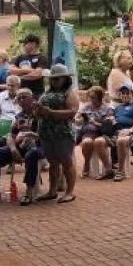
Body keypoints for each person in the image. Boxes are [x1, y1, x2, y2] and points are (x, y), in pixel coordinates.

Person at [0, 89, 46, 206]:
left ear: (32, 98)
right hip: (20, 147)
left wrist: (31, 135)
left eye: (24, 97)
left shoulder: (41, 115)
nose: (21, 100)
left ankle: (29, 193)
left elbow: (45, 136)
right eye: (19, 98)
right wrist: (13, 149)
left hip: (39, 146)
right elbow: (10, 136)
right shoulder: (19, 116)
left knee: (32, 154)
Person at [35, 64, 79, 204]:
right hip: (47, 132)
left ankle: (69, 192)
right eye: (52, 79)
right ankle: (52, 191)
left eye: (57, 79)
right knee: (53, 163)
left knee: (67, 162)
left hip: (63, 132)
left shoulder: (70, 93)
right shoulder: (47, 92)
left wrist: (51, 113)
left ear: (65, 79)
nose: (54, 81)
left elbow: (72, 111)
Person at [75, 86, 115, 180]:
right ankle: (87, 165)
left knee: (99, 141)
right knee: (86, 142)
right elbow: (76, 119)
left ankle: (108, 169)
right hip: (87, 133)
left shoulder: (107, 109)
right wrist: (80, 119)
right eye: (90, 97)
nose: (91, 100)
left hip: (101, 133)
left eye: (93, 98)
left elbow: (107, 127)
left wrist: (94, 122)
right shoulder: (86, 106)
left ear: (100, 98)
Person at [109, 85, 133, 181]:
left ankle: (120, 171)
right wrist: (112, 121)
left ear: (132, 94)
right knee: (99, 141)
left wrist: (129, 130)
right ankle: (109, 170)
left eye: (127, 93)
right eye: (122, 94)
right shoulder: (117, 108)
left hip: (132, 133)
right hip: (117, 132)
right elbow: (113, 122)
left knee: (121, 141)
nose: (124, 95)